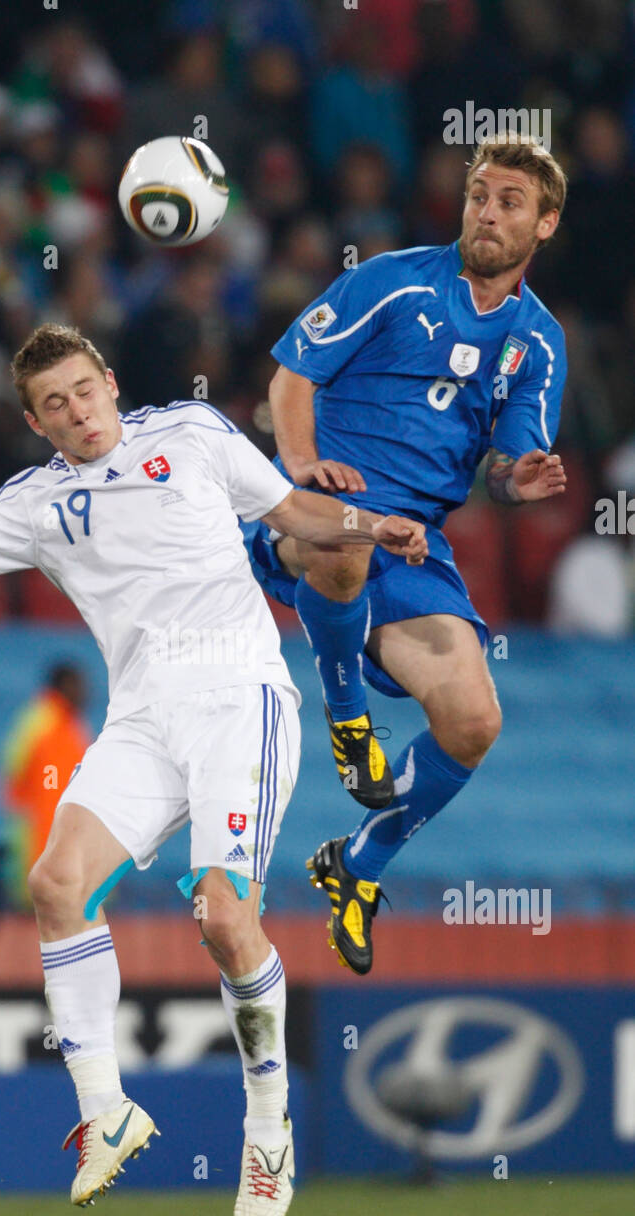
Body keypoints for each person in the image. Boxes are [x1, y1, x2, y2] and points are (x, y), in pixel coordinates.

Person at [0, 324, 426, 1216]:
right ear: (34, 420)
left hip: (237, 698)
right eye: (55, 404)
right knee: (54, 884)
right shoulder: (37, 502)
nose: (77, 412)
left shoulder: (195, 436)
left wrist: (376, 525)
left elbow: (293, 511)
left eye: (85, 390)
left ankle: (266, 1127)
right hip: (139, 719)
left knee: (219, 914)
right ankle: (107, 1113)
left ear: (110, 382)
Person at [244, 132, 568, 976]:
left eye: (510, 203)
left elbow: (505, 465)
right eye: (480, 195)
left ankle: (356, 866)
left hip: (415, 542)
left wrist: (517, 479)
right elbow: (290, 377)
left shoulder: (537, 343)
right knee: (347, 538)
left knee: (473, 721)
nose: (488, 212)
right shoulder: (392, 279)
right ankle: (348, 713)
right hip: (313, 506)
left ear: (546, 226)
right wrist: (301, 464)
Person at [0, 662, 92, 907]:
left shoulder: (72, 724)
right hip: (37, 833)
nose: (86, 692)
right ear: (63, 686)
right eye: (79, 685)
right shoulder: (41, 720)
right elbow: (14, 773)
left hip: (62, 832)